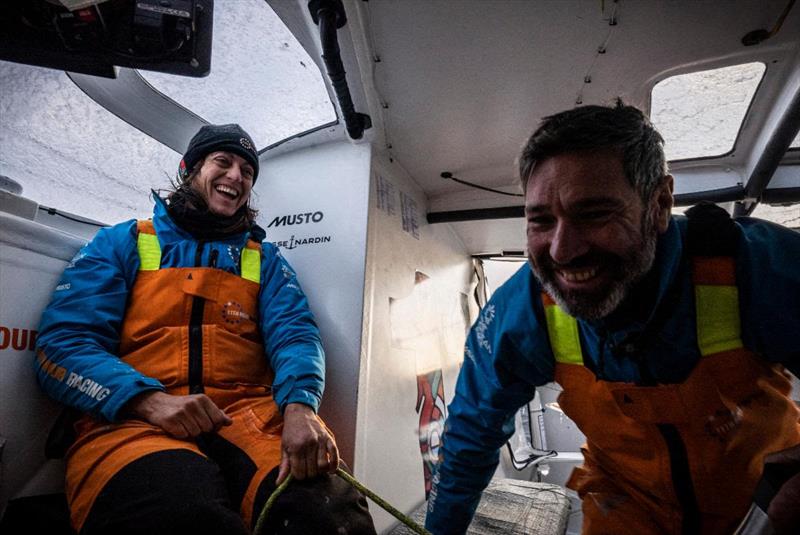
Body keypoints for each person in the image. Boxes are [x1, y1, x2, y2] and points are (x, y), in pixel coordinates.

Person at [424, 102, 800, 535]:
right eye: (541, 221)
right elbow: (471, 433)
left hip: (763, 503)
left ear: (659, 203)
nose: (562, 251)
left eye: (595, 214)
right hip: (626, 507)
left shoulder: (751, 266)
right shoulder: (523, 310)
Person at [34, 123, 376, 535]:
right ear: (189, 168)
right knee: (176, 514)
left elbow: (296, 334)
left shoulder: (264, 259)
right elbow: (62, 345)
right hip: (133, 421)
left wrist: (301, 407)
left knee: (331, 515)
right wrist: (149, 401)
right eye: (223, 161)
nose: (237, 176)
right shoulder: (121, 241)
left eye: (247, 171)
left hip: (243, 418)